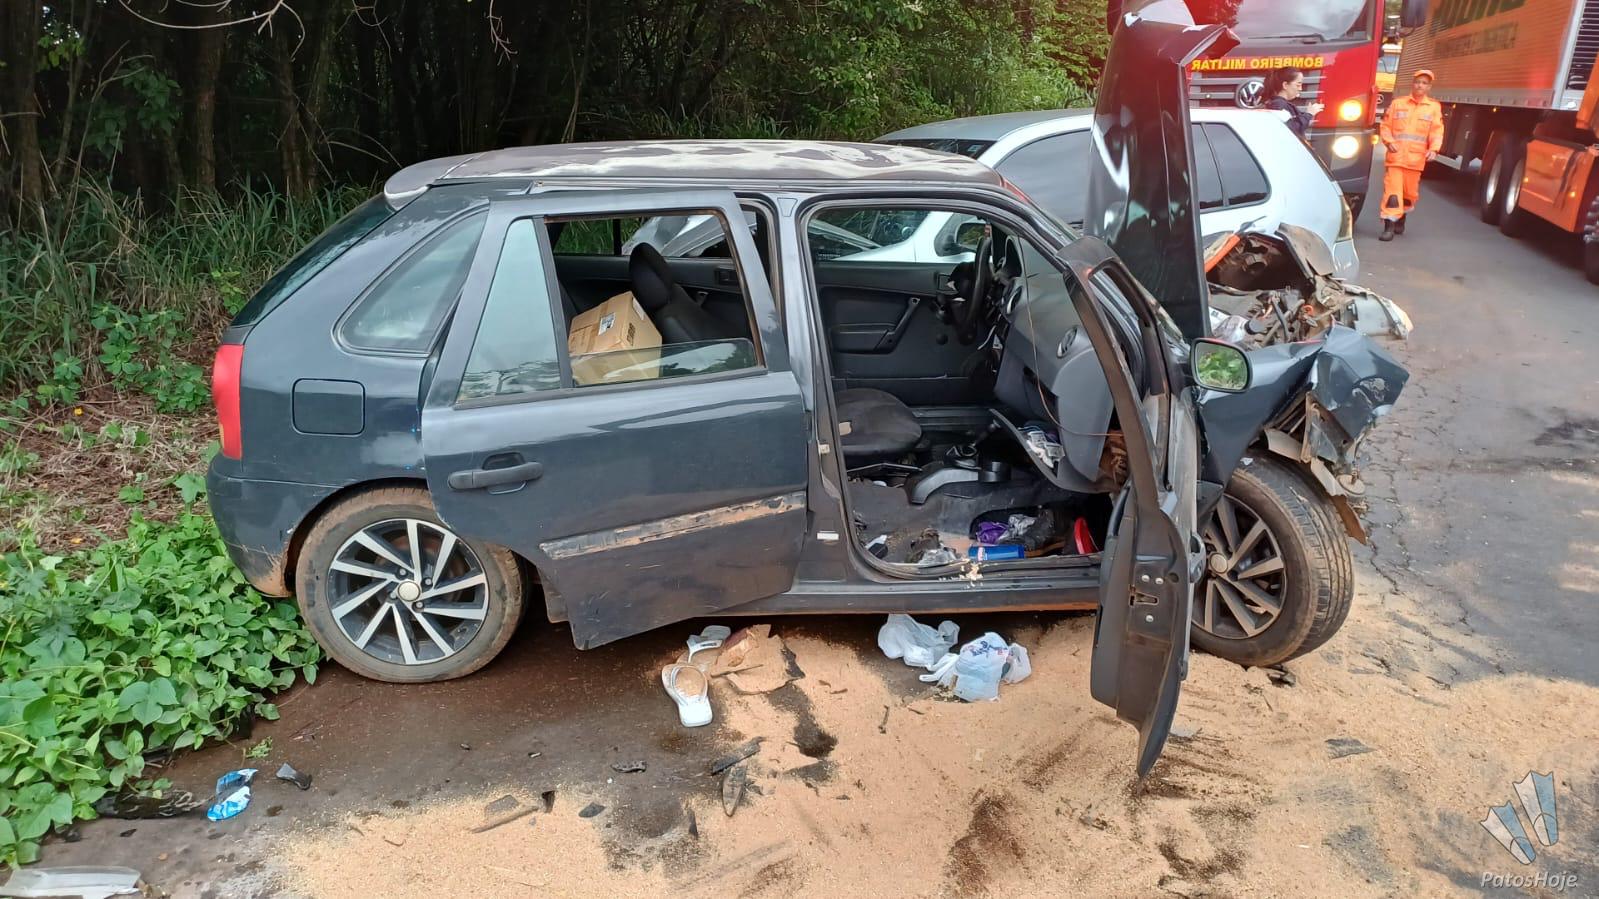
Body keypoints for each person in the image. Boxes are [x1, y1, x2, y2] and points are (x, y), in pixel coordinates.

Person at [1378, 69, 1445, 241]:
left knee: (1409, 194)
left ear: (1429, 87)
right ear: (1412, 84)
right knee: (1393, 193)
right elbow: (1385, 126)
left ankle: (1401, 218)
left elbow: (1436, 131)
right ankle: (1389, 227)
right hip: (1395, 158)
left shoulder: (1433, 108)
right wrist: (1389, 141)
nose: (1420, 85)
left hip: (1416, 160)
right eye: (1417, 82)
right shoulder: (1398, 103)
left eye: (1424, 83)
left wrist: (1434, 149)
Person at [1263, 67, 1324, 138]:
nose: (1300, 89)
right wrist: (1309, 114)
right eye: (1298, 85)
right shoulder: (1278, 105)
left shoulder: (1278, 104)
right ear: (1285, 85)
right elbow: (1291, 130)